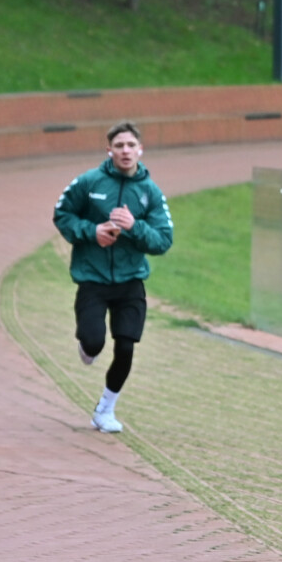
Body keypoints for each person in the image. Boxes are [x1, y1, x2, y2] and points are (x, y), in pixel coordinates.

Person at [53, 121, 174, 433]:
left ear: (140, 150)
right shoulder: (89, 182)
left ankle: (105, 409)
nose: (125, 151)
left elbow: (163, 240)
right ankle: (88, 346)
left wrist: (134, 226)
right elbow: (62, 215)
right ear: (109, 150)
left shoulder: (150, 192)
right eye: (119, 145)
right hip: (92, 278)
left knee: (126, 347)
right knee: (93, 343)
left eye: (131, 145)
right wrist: (92, 231)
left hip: (130, 281)